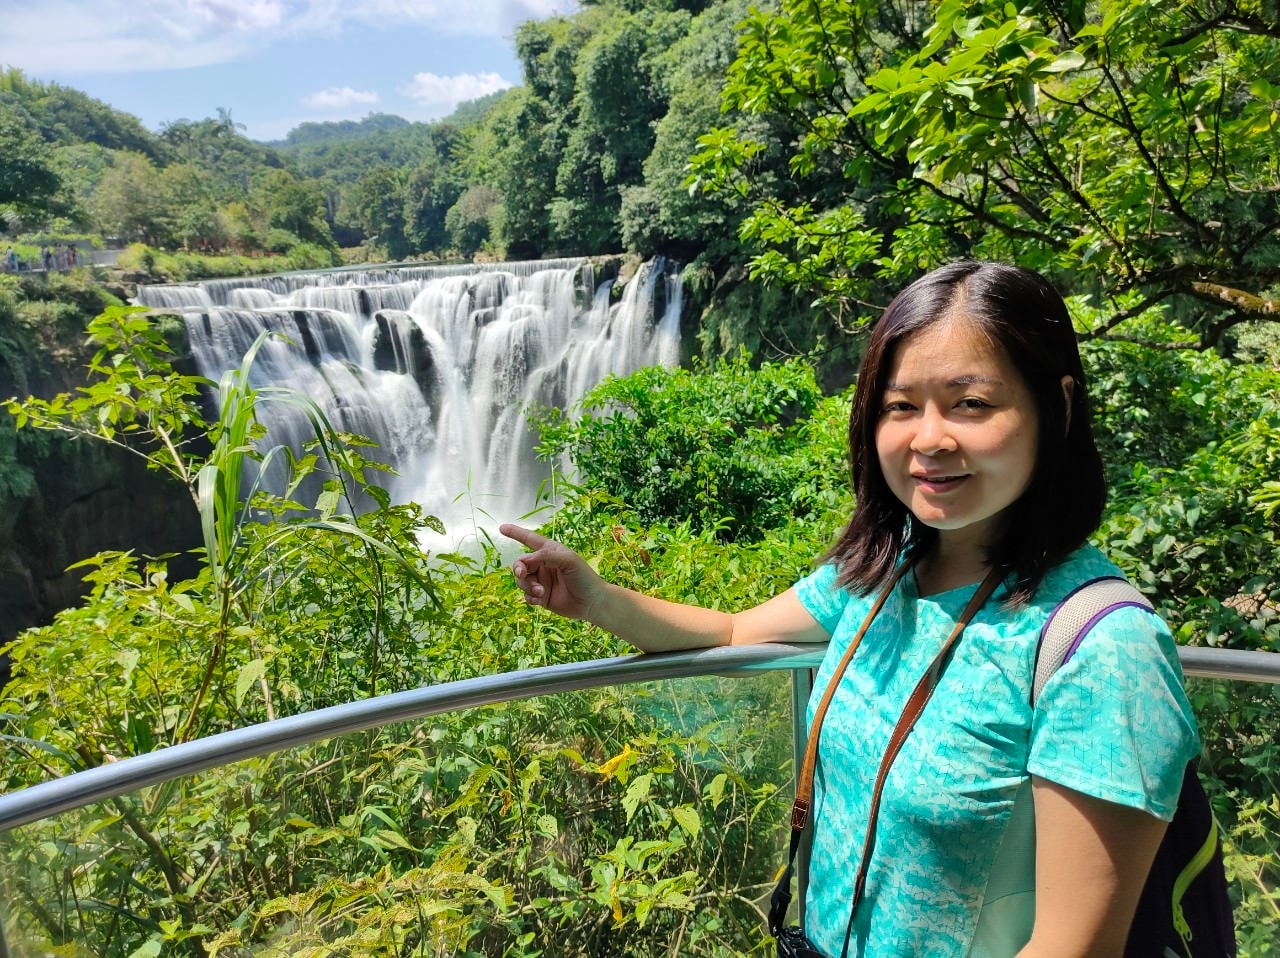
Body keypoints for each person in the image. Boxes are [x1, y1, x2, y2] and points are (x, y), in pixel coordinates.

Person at [501, 261, 1199, 957]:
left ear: (1060, 408)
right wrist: (594, 598)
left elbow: (1072, 949)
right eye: (901, 406)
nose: (929, 439)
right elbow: (736, 631)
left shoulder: (1103, 651)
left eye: (971, 404)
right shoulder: (885, 569)